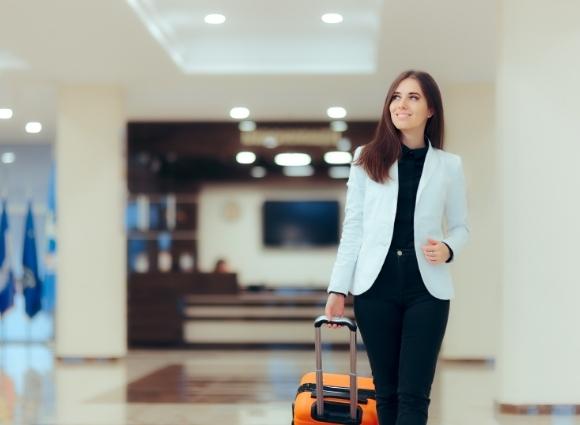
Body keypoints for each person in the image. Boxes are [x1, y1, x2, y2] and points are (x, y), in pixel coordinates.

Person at [324, 70, 469, 425]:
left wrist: (449, 247)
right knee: (386, 394)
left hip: (427, 289)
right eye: (396, 97)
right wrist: (337, 287)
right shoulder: (366, 157)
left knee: (414, 395)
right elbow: (353, 228)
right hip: (376, 286)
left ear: (431, 109)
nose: (401, 104)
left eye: (413, 97)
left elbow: (462, 226)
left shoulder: (449, 166)